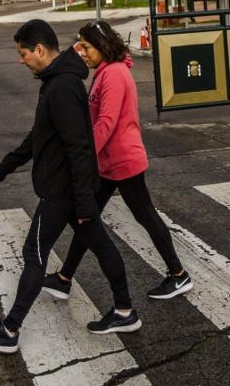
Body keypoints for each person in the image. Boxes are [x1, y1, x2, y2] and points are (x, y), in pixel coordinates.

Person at [0, 19, 139, 355]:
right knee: (100, 244)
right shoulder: (56, 82)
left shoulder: (60, 88)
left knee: (35, 254)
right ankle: (124, 310)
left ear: (40, 50)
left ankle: (9, 329)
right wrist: (7, 166)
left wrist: (85, 201)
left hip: (63, 191)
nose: (21, 60)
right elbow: (40, 135)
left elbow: (78, 146)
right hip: (72, 189)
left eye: (23, 53)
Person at [42, 19, 192, 302]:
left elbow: (106, 123)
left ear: (100, 45)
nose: (82, 52)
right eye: (81, 46)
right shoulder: (106, 71)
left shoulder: (113, 74)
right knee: (87, 218)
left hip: (122, 161)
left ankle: (178, 274)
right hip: (109, 162)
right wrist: (74, 48)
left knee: (143, 215)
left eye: (86, 47)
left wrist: (83, 159)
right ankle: (64, 278)